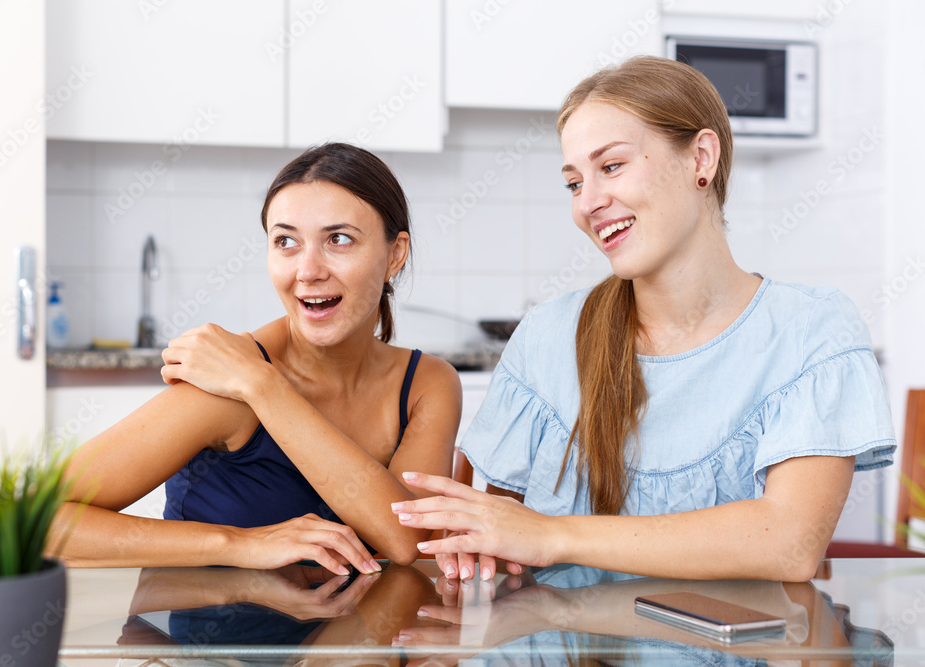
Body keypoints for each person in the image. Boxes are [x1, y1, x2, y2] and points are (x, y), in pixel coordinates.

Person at [391, 56, 896, 582]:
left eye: (611, 167)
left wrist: (552, 534)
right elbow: (497, 547)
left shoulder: (811, 332)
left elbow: (789, 544)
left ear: (701, 158)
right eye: (573, 183)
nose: (588, 202)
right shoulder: (546, 337)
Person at [50, 143, 462, 574]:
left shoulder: (426, 384)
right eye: (286, 242)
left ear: (395, 254)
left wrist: (264, 387)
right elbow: (33, 520)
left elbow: (405, 539)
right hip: (210, 639)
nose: (307, 270)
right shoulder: (222, 388)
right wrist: (236, 544)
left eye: (338, 240)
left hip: (354, 638)